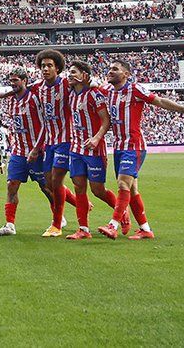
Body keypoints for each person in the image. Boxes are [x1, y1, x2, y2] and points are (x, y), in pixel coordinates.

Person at [97, 59, 184, 241]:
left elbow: (160, 101)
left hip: (134, 146)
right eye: (110, 68)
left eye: (115, 69)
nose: (110, 71)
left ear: (126, 75)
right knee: (133, 189)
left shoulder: (135, 89)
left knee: (122, 184)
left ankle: (113, 225)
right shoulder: (107, 91)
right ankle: (145, 229)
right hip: (119, 146)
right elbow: (90, 86)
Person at [62, 61, 120, 240]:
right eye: (69, 72)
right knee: (79, 187)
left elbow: (106, 120)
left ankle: (122, 212)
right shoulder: (71, 94)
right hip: (76, 148)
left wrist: (96, 138)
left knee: (97, 190)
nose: (69, 75)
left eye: (73, 72)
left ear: (84, 75)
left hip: (94, 150)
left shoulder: (95, 94)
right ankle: (83, 229)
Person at [31, 49, 79, 237]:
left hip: (66, 140)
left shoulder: (67, 84)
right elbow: (21, 89)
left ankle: (57, 224)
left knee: (57, 181)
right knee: (49, 182)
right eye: (43, 66)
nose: (45, 69)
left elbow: (87, 84)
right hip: (49, 141)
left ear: (58, 68)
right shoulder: (38, 88)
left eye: (49, 65)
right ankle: (119, 211)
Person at [0, 67, 43, 236]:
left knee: (48, 188)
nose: (12, 84)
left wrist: (37, 148)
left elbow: (45, 124)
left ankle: (61, 214)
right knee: (11, 185)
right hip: (19, 151)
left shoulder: (35, 98)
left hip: (36, 151)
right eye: (11, 80)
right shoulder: (12, 100)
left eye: (16, 80)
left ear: (24, 81)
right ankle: (10, 225)